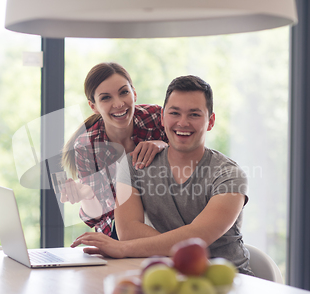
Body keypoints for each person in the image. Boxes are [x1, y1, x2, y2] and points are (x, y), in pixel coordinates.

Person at [71, 75, 253, 275]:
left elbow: (198, 236)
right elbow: (129, 231)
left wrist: (123, 249)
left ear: (210, 122)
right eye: (175, 113)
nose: (183, 123)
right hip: (169, 278)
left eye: (194, 115)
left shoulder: (229, 175)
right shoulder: (132, 166)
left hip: (229, 282)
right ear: (163, 117)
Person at [61, 62, 168, 239]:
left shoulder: (156, 118)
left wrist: (163, 146)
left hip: (164, 221)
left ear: (134, 93)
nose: (118, 104)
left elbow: (188, 158)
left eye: (124, 92)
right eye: (106, 98)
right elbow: (98, 217)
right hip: (118, 234)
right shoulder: (86, 146)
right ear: (93, 106)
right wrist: (86, 195)